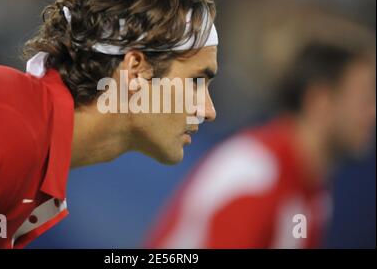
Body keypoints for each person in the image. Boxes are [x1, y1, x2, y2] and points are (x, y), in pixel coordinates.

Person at [0, 0, 218, 248]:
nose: (208, 111)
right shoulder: (8, 123)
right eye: (196, 81)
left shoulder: (30, 149)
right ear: (135, 69)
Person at [146, 41, 375, 248]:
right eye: (364, 100)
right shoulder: (257, 176)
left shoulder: (315, 192)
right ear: (320, 102)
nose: (372, 114)